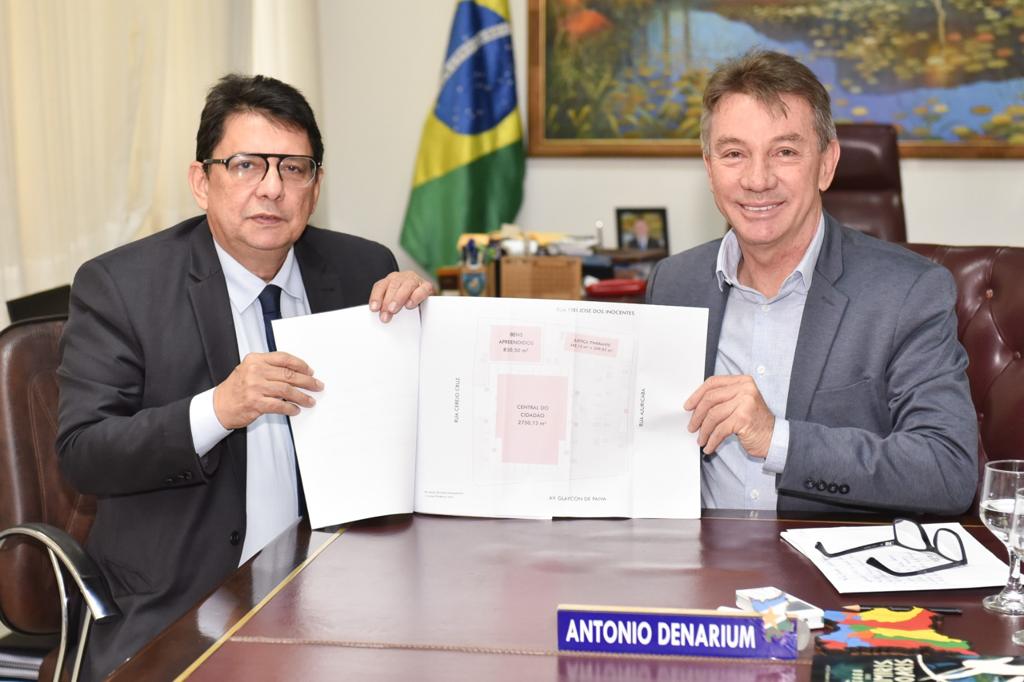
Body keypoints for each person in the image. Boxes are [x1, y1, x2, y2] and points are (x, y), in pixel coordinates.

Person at [56, 74, 432, 680]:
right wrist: (217, 409)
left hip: (338, 581)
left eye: (294, 169)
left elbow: (406, 422)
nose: (272, 189)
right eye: (246, 165)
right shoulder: (121, 287)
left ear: (316, 186)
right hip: (185, 600)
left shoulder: (364, 267)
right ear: (202, 181)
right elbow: (84, 455)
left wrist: (423, 333)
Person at [646, 50, 977, 515]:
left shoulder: (907, 293)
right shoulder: (673, 284)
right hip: (697, 565)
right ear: (710, 168)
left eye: (784, 152)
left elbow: (947, 472)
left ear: (826, 164)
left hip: (830, 575)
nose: (757, 179)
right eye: (734, 153)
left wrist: (776, 438)